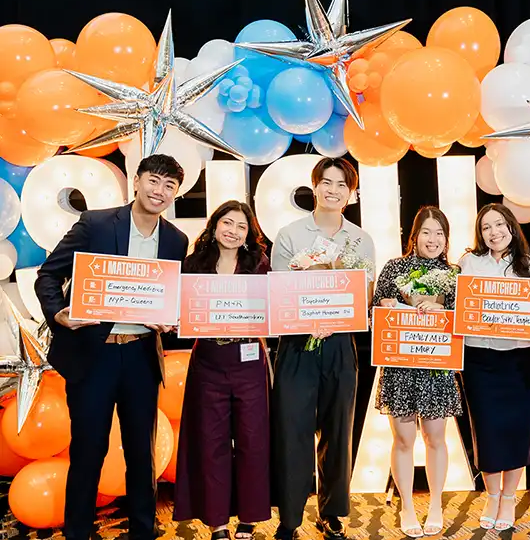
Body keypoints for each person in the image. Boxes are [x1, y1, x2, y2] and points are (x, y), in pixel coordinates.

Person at [34, 154, 188, 540]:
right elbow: (48, 275)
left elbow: (171, 297)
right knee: (88, 450)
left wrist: (172, 318)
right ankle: (78, 532)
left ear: (175, 194)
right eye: (154, 180)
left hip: (141, 355)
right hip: (94, 355)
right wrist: (58, 314)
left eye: (169, 185)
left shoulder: (176, 240)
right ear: (136, 182)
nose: (160, 190)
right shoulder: (96, 224)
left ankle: (142, 530)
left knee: (141, 452)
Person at [270, 157, 376, 540]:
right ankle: (290, 517)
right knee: (292, 431)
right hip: (297, 345)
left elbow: (364, 296)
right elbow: (280, 293)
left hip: (340, 345)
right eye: (326, 182)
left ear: (351, 193)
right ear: (314, 187)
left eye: (341, 184)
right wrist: (309, 312)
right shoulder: (289, 234)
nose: (333, 190)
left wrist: (336, 309)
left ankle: (331, 512)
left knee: (338, 431)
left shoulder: (361, 240)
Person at [173, 200, 271, 540]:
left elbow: (273, 308)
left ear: (248, 234)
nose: (233, 231)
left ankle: (249, 517)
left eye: (241, 226)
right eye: (227, 223)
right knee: (210, 441)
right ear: (214, 226)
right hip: (208, 363)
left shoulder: (259, 265)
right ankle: (217, 522)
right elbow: (179, 309)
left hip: (249, 363)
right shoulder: (193, 264)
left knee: (252, 441)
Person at [458, 203, 530, 532]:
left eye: (499, 224)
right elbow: (461, 307)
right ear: (480, 233)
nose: (494, 232)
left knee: (519, 430)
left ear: (512, 227)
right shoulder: (469, 263)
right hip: (480, 359)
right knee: (486, 430)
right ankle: (491, 496)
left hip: (523, 360)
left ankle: (510, 497)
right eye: (486, 227)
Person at [371, 206, 462, 538]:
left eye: (439, 233)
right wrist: (386, 306)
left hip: (436, 367)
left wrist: (443, 309)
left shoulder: (454, 274)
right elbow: (376, 313)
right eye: (426, 232)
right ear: (414, 236)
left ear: (446, 239)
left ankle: (436, 504)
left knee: (436, 439)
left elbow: (465, 319)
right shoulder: (395, 268)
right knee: (403, 440)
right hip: (401, 367)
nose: (433, 239)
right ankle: (407, 506)